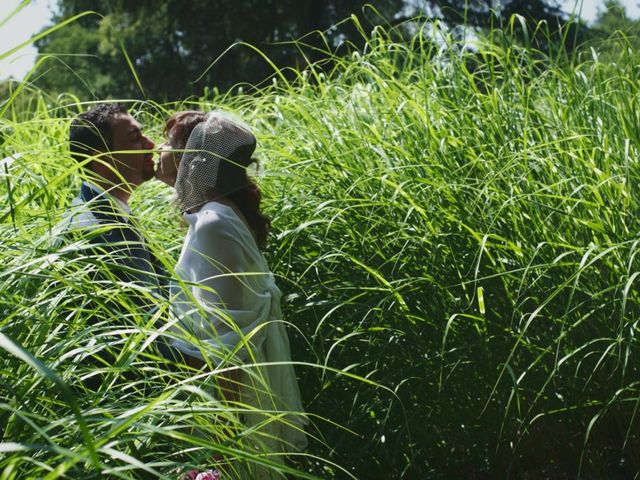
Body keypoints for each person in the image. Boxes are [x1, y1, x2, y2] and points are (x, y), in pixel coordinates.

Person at [157, 110, 308, 471]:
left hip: (230, 411)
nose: (158, 149)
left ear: (191, 160)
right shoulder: (215, 215)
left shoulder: (214, 222)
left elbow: (229, 348)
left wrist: (223, 451)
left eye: (168, 143)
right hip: (221, 403)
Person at [56, 102, 166, 301]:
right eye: (135, 138)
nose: (150, 144)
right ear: (102, 159)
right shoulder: (93, 233)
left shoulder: (114, 212)